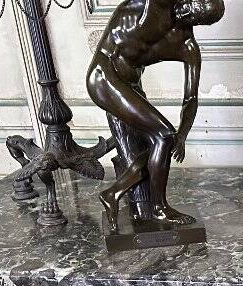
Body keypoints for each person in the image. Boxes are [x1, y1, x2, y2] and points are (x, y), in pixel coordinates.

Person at [87, 0, 225, 230]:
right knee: (163, 135)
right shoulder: (158, 4)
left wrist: (182, 134)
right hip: (104, 76)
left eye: (193, 16)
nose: (185, 11)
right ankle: (158, 209)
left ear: (199, 23)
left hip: (130, 84)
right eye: (191, 3)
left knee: (163, 142)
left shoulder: (187, 46)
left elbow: (190, 98)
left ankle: (113, 194)